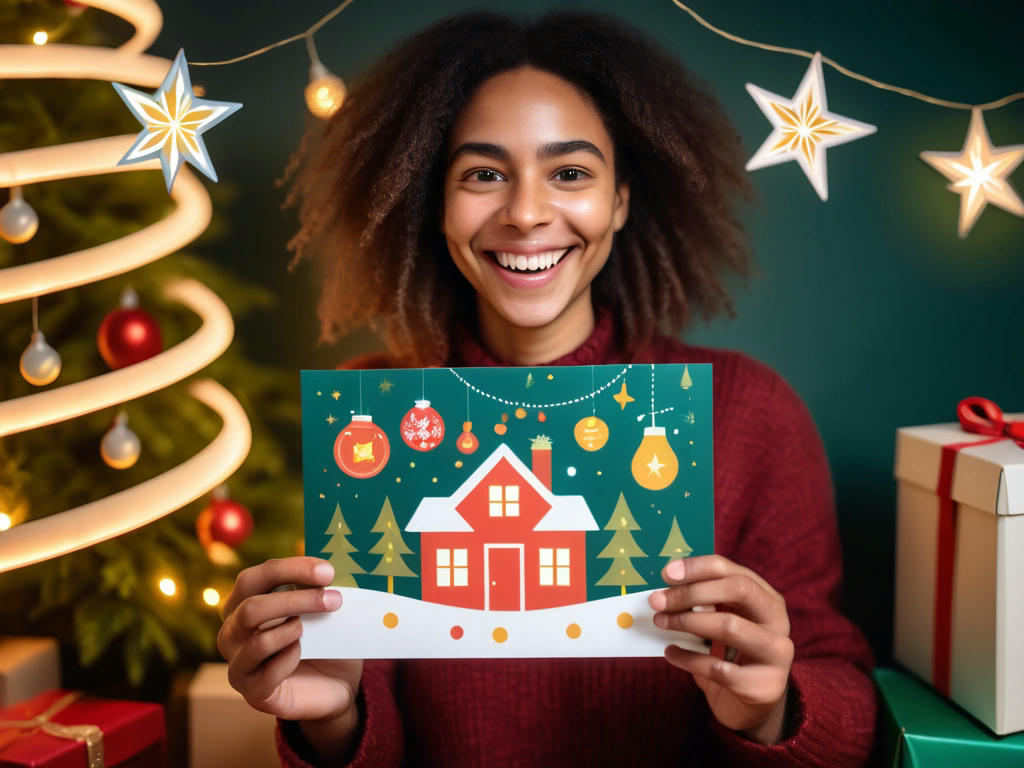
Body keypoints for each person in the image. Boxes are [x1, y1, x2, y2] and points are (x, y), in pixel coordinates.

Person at [217, 11, 876, 767]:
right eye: (484, 174)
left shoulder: (749, 413)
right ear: (434, 204)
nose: (527, 212)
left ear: (621, 200)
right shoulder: (373, 417)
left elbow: (848, 710)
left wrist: (771, 706)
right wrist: (330, 717)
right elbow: (364, 709)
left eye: (570, 172)